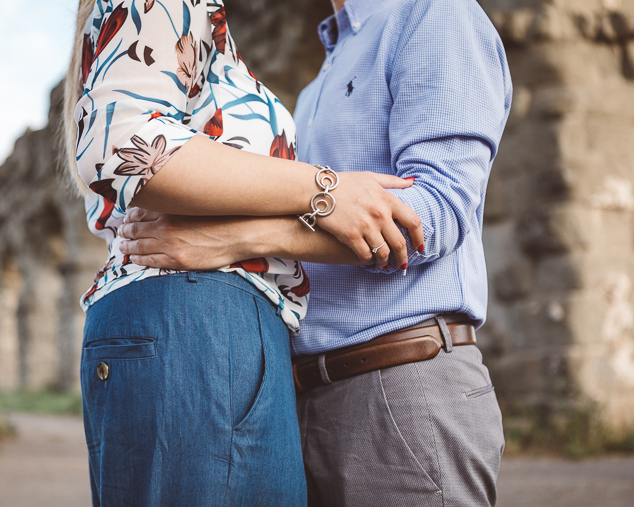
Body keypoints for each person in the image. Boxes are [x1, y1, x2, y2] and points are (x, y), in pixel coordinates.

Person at [119, 0, 513, 505]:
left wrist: (238, 237)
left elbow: (433, 214)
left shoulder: (434, 14)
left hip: (402, 383)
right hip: (305, 400)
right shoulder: (319, 77)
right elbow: (325, 212)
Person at [63, 0, 423, 505]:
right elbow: (124, 140)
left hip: (198, 321)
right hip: (198, 321)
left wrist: (257, 231)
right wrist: (324, 188)